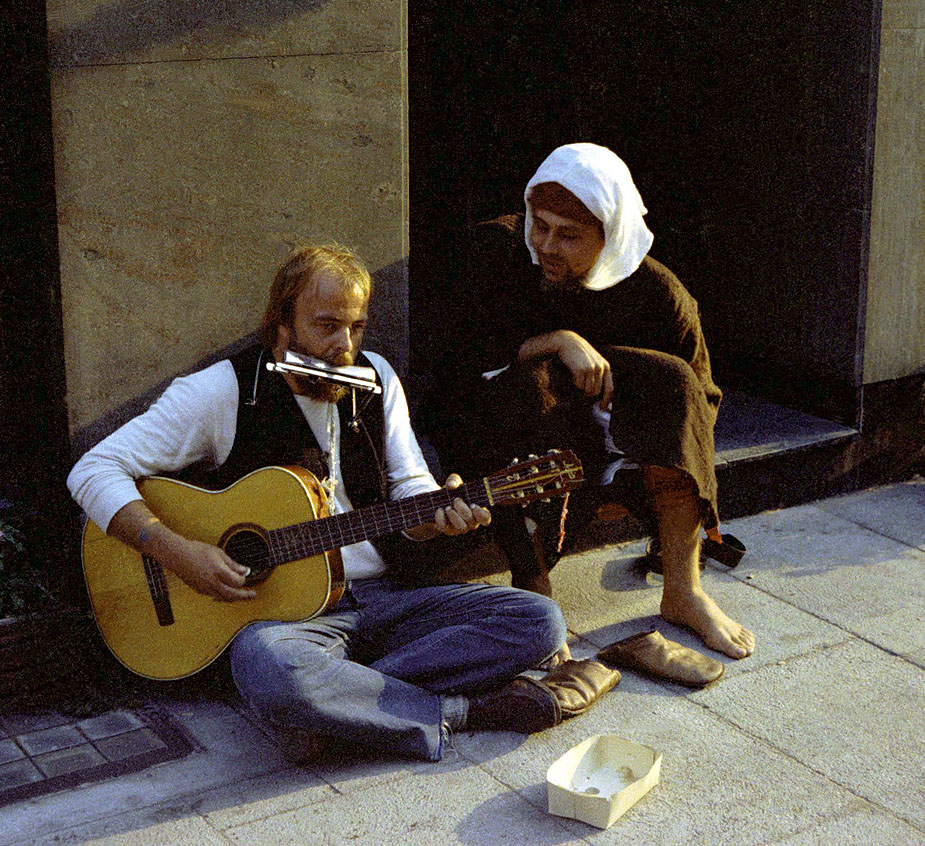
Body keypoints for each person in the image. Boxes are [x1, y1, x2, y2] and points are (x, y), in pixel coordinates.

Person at [67, 244, 619, 762]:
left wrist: (436, 518)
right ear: (281, 326)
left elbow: (410, 488)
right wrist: (177, 551)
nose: (344, 347)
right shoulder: (223, 392)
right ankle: (456, 710)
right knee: (270, 667)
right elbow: (92, 469)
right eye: (326, 327)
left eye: (355, 327)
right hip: (285, 624)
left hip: (389, 600)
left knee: (538, 620)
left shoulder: (376, 380)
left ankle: (340, 705)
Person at [423, 143, 755, 660]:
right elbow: (460, 366)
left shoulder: (660, 293)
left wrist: (631, 449)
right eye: (541, 225)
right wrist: (558, 341)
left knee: (676, 380)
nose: (548, 245)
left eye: (570, 235)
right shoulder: (499, 254)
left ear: (609, 235)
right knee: (530, 385)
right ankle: (533, 587)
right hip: (508, 427)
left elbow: (699, 404)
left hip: (612, 435)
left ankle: (683, 590)